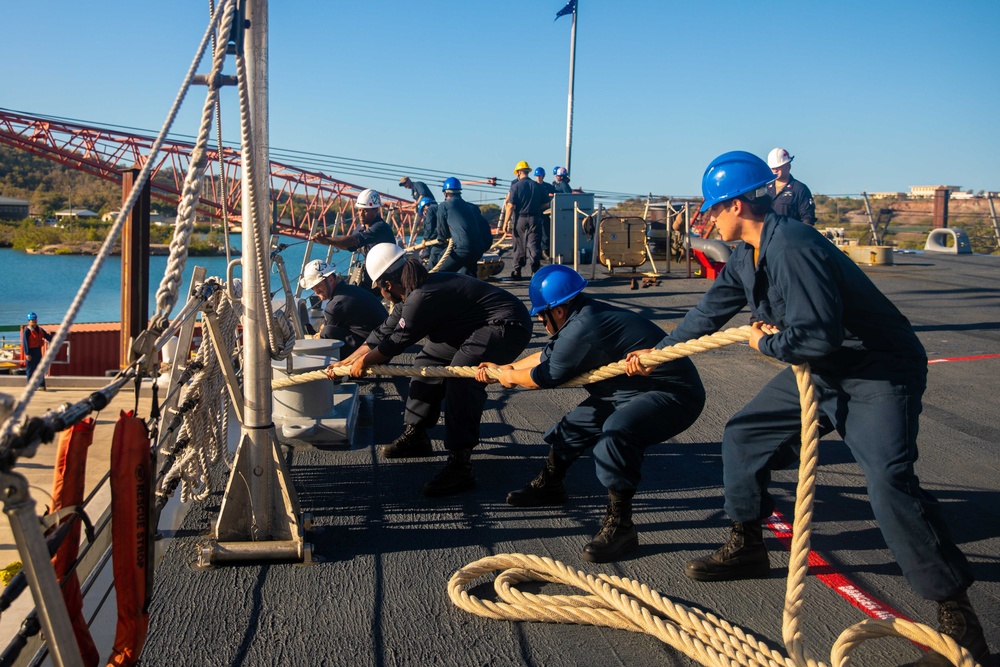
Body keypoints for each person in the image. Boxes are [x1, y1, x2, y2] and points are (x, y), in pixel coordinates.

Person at [625, 151, 990, 665]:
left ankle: (958, 621)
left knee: (888, 481)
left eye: (710, 210)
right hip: (825, 367)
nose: (706, 221)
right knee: (744, 436)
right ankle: (747, 542)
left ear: (734, 206)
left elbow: (815, 337)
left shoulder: (791, 245)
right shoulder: (746, 255)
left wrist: (762, 346)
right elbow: (710, 311)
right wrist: (658, 353)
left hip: (875, 372)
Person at [476, 265, 705, 563]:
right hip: (630, 390)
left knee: (616, 434)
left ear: (557, 311)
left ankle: (621, 527)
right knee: (572, 427)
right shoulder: (580, 316)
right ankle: (551, 486)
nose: (542, 322)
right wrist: (507, 368)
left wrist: (506, 378)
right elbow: (547, 355)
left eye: (541, 315)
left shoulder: (584, 327)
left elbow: (543, 376)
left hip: (672, 395)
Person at [329, 243, 532, 498]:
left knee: (461, 376)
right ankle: (417, 435)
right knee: (426, 363)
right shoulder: (411, 294)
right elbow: (380, 334)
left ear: (388, 285)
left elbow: (394, 344)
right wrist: (346, 362)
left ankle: (461, 464)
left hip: (507, 326)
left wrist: (363, 363)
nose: (381, 295)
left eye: (379, 289)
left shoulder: (420, 297)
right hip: (471, 329)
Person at [311, 188, 397, 291]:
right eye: (359, 210)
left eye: (365, 210)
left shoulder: (380, 227)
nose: (360, 214)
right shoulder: (361, 226)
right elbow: (350, 245)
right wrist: (328, 239)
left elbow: (353, 241)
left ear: (375, 210)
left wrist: (328, 240)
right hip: (374, 270)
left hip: (387, 273)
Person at [298, 259, 388, 357]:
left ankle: (333, 366)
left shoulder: (335, 304)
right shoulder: (351, 290)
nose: (315, 291)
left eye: (318, 285)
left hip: (375, 352)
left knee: (327, 332)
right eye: (313, 288)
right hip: (385, 344)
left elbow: (325, 333)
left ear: (331, 280)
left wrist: (316, 337)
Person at [434, 177, 492, 276]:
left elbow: (442, 234)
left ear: (445, 193)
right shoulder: (472, 207)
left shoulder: (444, 206)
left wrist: (442, 240)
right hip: (478, 250)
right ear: (459, 192)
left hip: (463, 250)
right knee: (468, 274)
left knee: (440, 273)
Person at [505, 160, 545, 280]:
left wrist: (506, 222)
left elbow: (510, 206)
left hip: (520, 219)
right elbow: (546, 204)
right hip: (535, 218)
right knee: (534, 245)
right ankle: (535, 271)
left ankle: (517, 271)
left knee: (519, 245)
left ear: (518, 172)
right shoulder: (537, 186)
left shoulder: (515, 187)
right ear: (528, 172)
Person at [766, 147, 816, 226]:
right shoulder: (765, 189)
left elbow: (808, 219)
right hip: (768, 237)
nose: (775, 170)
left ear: (788, 167)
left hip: (791, 237)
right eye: (773, 168)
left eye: (778, 167)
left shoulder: (800, 189)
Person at [21, 312, 53, 390]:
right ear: (29, 321)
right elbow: (25, 343)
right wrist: (27, 353)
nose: (34, 321)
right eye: (32, 320)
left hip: (37, 351)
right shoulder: (27, 331)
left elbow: (47, 336)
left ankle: (42, 385)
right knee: (30, 370)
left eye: (35, 319)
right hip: (30, 352)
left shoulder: (40, 329)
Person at [533, 167, 555, 260]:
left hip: (545, 214)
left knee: (546, 233)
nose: (538, 178)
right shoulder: (532, 186)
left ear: (543, 176)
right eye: (537, 176)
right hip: (534, 213)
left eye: (540, 176)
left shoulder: (548, 187)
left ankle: (544, 251)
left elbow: (556, 195)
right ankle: (536, 252)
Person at [416, 196, 442, 269]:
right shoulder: (441, 208)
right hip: (446, 239)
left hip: (438, 243)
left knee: (430, 265)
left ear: (424, 209)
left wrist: (424, 240)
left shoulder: (429, 210)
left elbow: (429, 227)